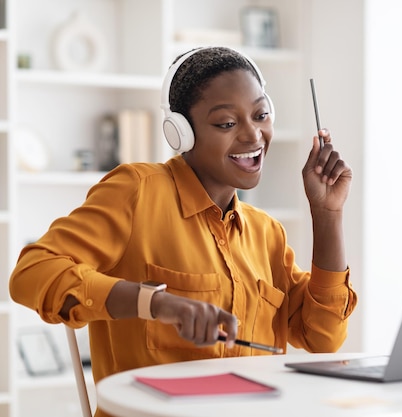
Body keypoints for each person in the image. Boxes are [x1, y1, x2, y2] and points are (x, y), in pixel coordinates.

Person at [9, 46, 357, 417]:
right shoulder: (138, 191)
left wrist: (327, 213)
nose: (253, 134)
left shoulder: (265, 233)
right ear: (181, 133)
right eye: (226, 123)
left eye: (261, 115)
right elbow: (32, 272)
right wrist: (154, 302)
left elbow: (324, 338)